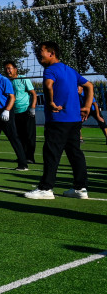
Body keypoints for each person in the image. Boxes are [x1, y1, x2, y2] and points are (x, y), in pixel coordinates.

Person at [24, 41, 93, 200]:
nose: (38, 54)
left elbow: (48, 86)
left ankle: (46, 189)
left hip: (58, 120)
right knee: (75, 153)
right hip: (74, 121)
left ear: (51, 53)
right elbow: (89, 85)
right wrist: (87, 106)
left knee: (51, 154)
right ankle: (80, 188)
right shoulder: (70, 70)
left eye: (41, 51)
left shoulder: (50, 70)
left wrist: (50, 102)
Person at [4, 61, 37, 163]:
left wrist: (32, 108)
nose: (8, 71)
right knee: (18, 136)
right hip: (15, 112)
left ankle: (30, 157)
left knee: (29, 135)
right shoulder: (7, 81)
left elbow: (34, 94)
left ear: (15, 69)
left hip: (26, 111)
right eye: (6, 69)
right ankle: (22, 156)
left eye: (9, 68)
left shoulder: (23, 79)